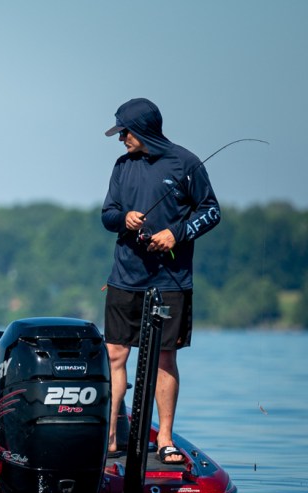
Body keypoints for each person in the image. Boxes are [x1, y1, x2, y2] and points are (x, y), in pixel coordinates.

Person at [101, 98, 221, 464]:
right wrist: (125, 218)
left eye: (125, 131)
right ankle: (109, 437)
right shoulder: (122, 166)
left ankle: (165, 439)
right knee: (115, 354)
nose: (121, 138)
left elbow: (212, 211)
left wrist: (176, 234)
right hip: (125, 277)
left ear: (143, 129)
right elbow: (108, 215)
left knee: (163, 358)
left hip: (171, 281)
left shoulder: (186, 163)